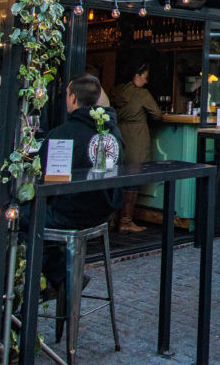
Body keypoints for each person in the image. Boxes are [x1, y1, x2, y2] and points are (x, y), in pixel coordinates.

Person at [34, 75, 125, 288]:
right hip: (104, 210)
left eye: (66, 94)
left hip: (71, 212)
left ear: (73, 98)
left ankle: (59, 279)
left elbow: (44, 176)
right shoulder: (113, 131)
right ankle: (62, 279)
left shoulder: (62, 134)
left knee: (22, 220)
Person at [112, 63, 163, 233]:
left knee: (118, 178)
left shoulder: (117, 90)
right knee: (133, 179)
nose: (146, 81)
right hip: (137, 137)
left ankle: (112, 219)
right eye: (145, 77)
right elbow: (157, 114)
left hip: (120, 135)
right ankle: (126, 221)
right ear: (136, 75)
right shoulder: (142, 94)